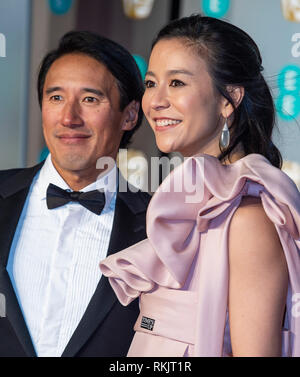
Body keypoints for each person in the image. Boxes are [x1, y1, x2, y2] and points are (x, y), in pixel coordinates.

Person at [100, 15, 300, 357]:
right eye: (150, 83)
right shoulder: (184, 205)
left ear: (229, 99)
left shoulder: (249, 219)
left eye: (177, 83)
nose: (156, 101)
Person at [0, 31, 151, 357]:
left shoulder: (161, 227)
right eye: (55, 98)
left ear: (129, 115)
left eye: (90, 99)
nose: (69, 118)